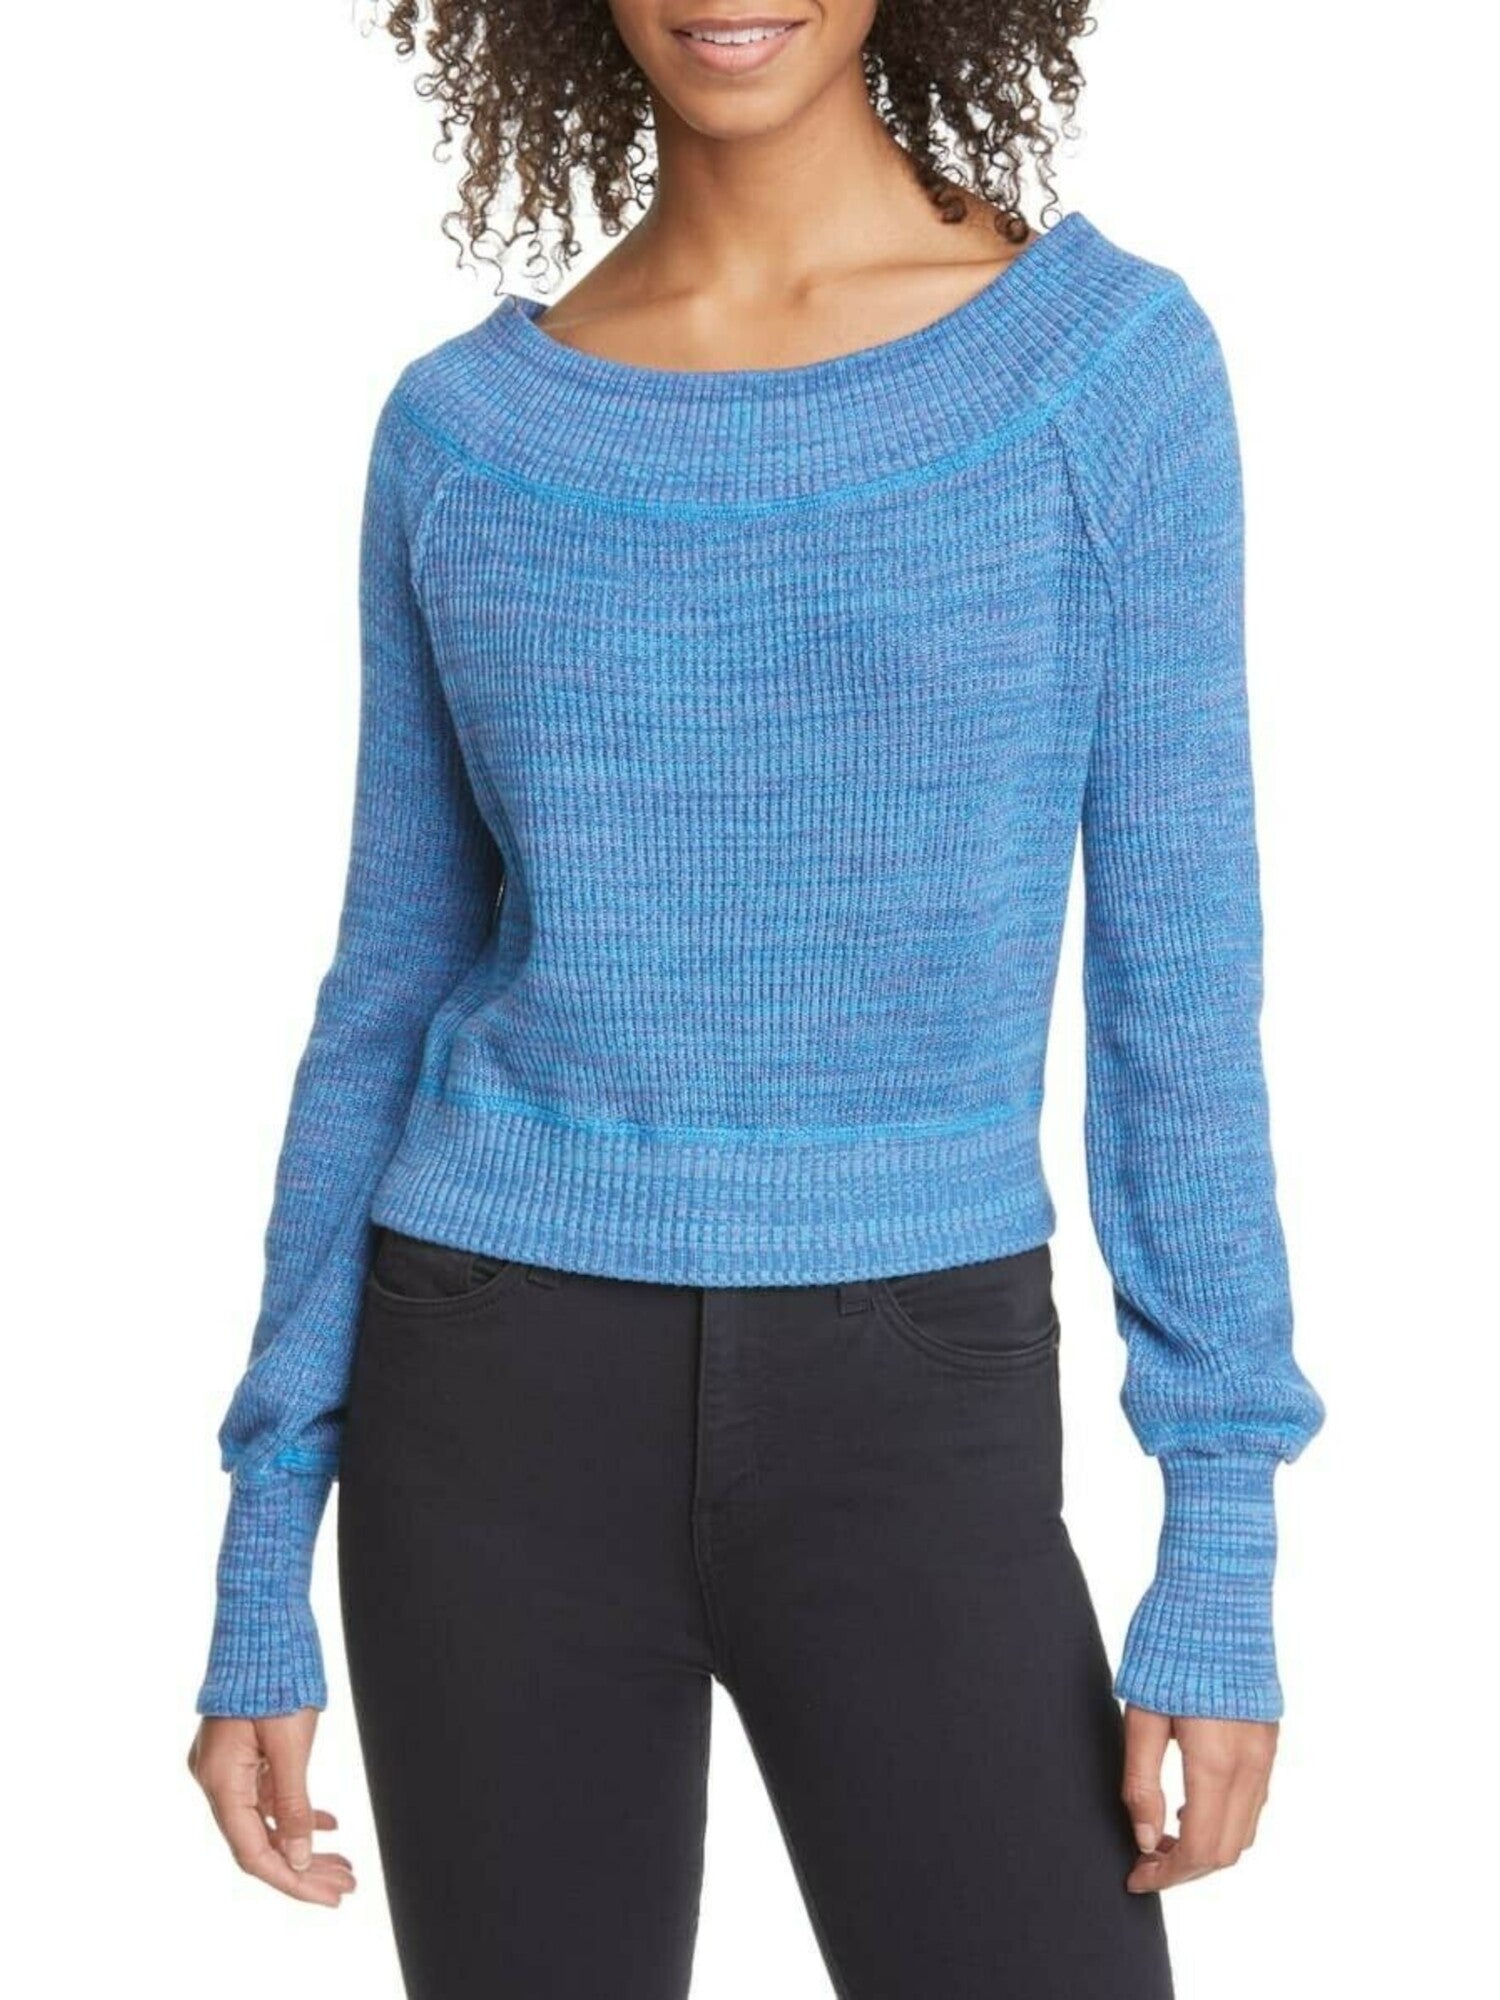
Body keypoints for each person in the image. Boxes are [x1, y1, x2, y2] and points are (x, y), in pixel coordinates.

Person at [185, 5, 1326, 1994]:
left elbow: (1182, 983)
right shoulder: (466, 435)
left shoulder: (1101, 375)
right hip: (489, 1391)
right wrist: (262, 1536)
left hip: (919, 1391)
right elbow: (386, 983)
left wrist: (1220, 1530)